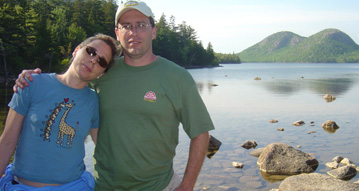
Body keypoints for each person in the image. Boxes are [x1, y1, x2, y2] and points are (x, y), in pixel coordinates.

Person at [12, 0, 215, 190]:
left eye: (141, 25)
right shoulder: (102, 70)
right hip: (104, 185)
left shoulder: (177, 77)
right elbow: (67, 82)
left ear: (153, 31)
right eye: (126, 26)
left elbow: (200, 133)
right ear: (117, 33)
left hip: (158, 185)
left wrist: (187, 185)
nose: (133, 32)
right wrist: (32, 78)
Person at [0, 34, 122, 190]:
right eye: (91, 51)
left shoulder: (94, 101)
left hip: (73, 186)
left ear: (101, 73)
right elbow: (7, 142)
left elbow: (105, 148)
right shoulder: (31, 83)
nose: (93, 60)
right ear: (76, 50)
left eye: (101, 61)